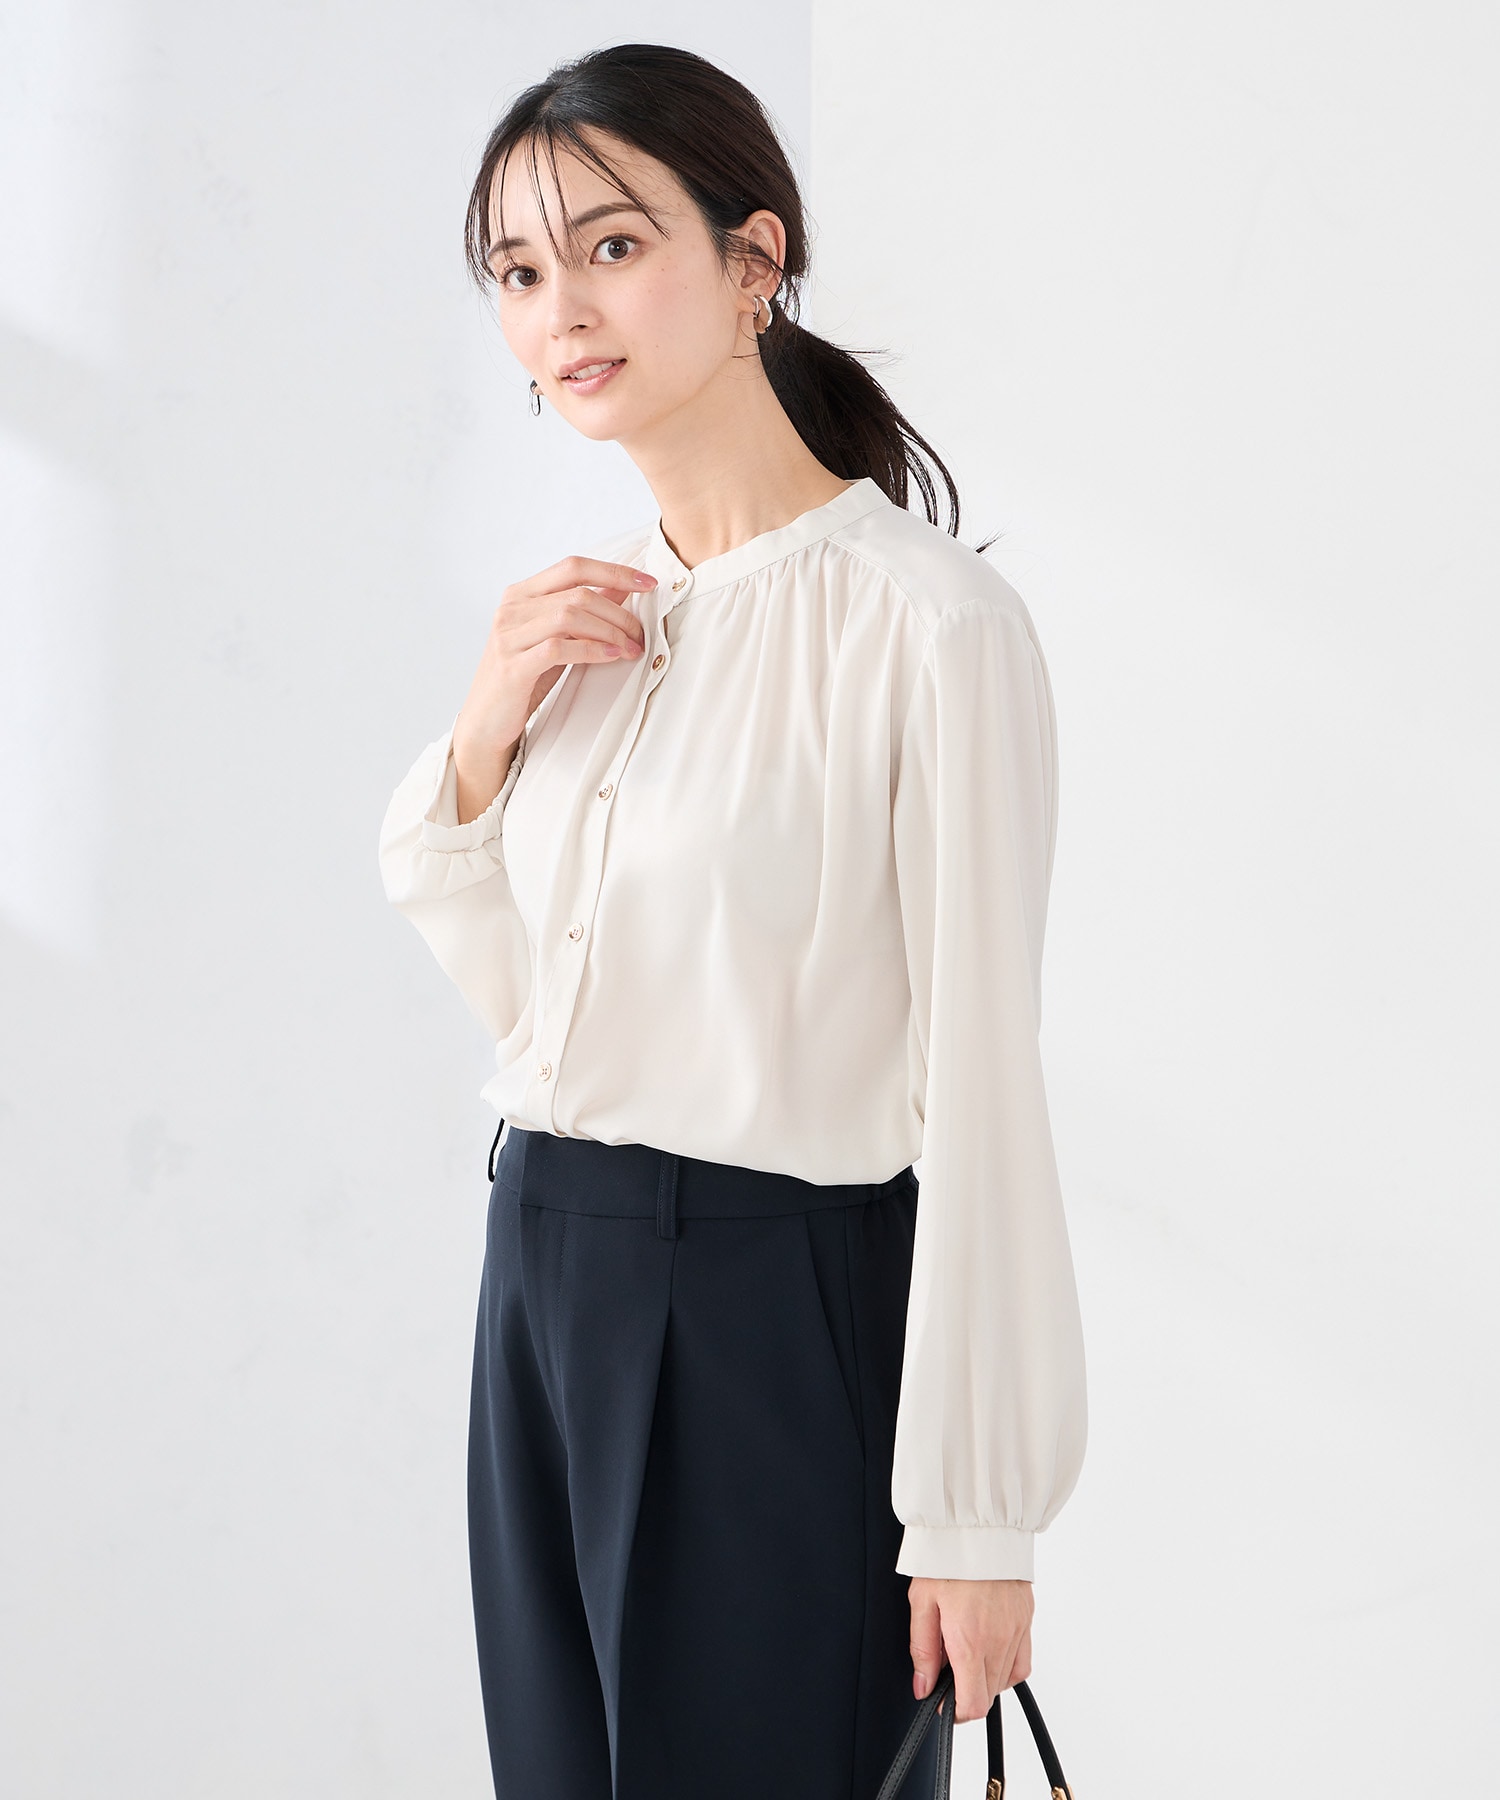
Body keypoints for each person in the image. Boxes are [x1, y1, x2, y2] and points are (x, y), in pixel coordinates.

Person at [378, 40, 1087, 1800]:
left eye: (612, 248)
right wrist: (485, 732)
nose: (559, 311)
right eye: (517, 272)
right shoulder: (591, 629)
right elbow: (541, 1017)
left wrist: (977, 1512)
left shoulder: (925, 627)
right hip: (542, 1278)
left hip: (769, 1307)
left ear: (755, 257)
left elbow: (982, 1086)